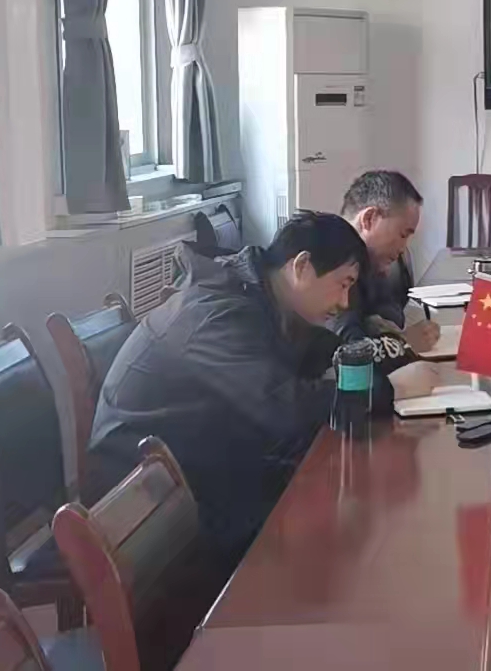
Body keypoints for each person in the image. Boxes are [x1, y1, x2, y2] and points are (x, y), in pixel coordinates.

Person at [88, 211, 367, 561]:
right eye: (343, 283)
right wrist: (377, 392)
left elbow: (314, 356)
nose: (344, 302)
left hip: (194, 466)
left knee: (335, 501)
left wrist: (373, 364)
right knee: (330, 533)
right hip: (144, 498)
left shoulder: (258, 297)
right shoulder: (218, 312)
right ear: (302, 266)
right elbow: (284, 409)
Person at [333, 170, 438, 354]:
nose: (402, 248)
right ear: (369, 219)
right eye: (402, 234)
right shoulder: (333, 263)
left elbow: (393, 317)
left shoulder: (375, 262)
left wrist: (385, 331)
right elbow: (347, 352)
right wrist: (404, 343)